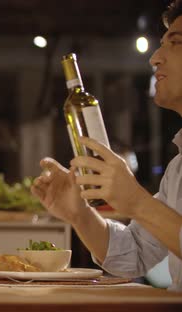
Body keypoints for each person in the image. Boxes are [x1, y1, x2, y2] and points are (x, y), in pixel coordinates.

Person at [31, 0, 182, 292]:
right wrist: (79, 213)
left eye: (174, 44)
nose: (154, 58)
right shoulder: (178, 167)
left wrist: (136, 201)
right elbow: (134, 253)